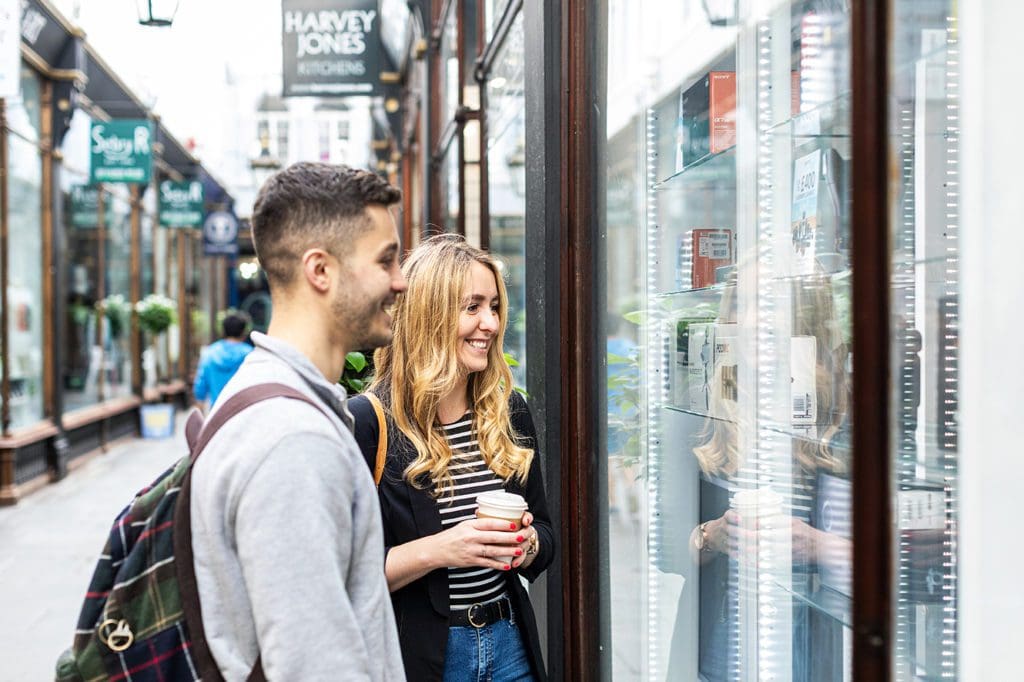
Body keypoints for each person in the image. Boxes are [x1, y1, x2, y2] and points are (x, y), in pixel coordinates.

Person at [188, 162, 407, 680]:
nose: (400, 282)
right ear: (321, 270)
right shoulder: (294, 443)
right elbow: (315, 665)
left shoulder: (267, 399)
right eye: (386, 260)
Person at [350, 234, 555, 681]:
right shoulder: (369, 422)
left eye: (495, 307)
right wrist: (444, 549)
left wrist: (526, 545)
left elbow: (545, 532)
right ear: (430, 316)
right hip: (428, 657)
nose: (491, 324)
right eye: (473, 307)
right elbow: (347, 575)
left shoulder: (508, 410)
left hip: (510, 644)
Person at [192, 311, 253, 408]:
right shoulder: (250, 355)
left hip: (217, 413)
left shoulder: (210, 353)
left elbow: (200, 387)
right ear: (243, 332)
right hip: (244, 412)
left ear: (223, 330)